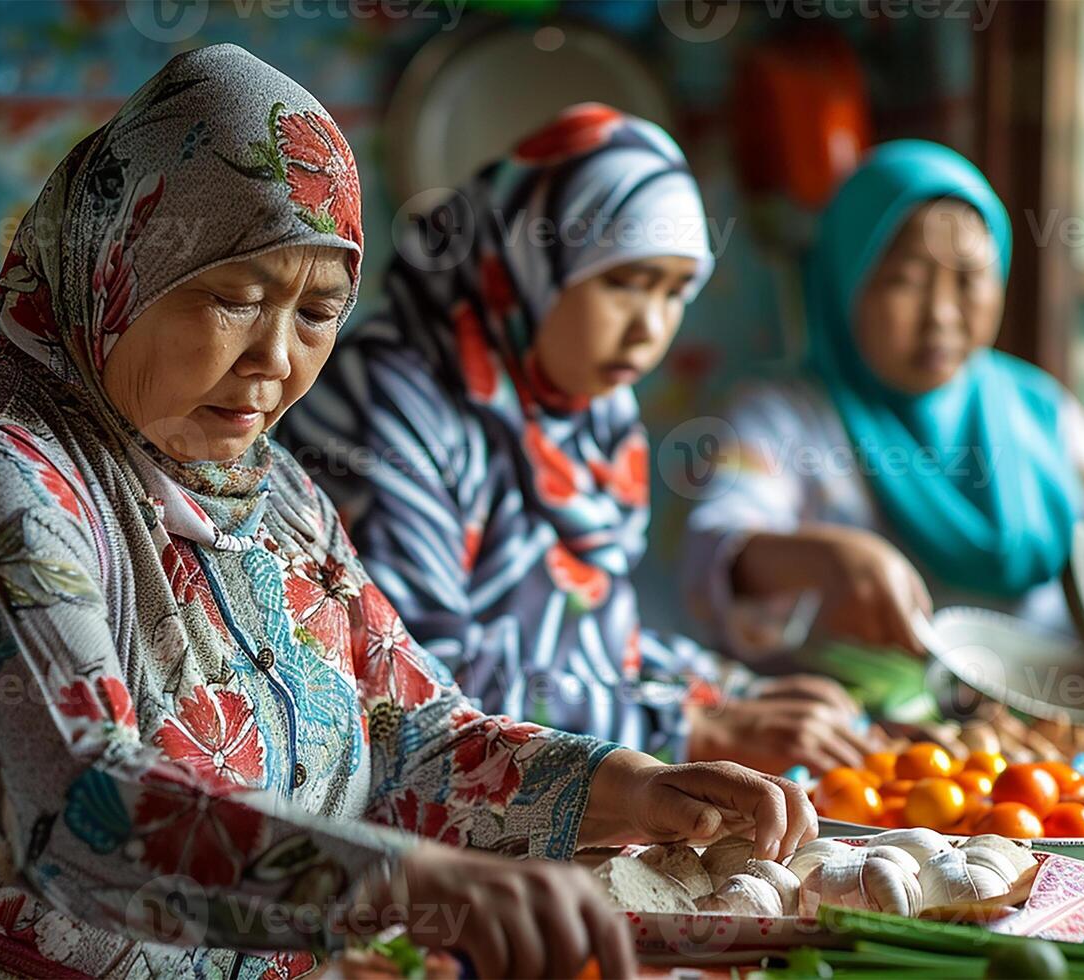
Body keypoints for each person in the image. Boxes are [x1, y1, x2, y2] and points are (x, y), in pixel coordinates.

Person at [0, 47, 815, 980]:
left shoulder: (273, 493)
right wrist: (419, 882)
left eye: (316, 311)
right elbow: (80, 810)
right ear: (118, 265)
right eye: (232, 296)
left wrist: (621, 784)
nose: (276, 361)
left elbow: (404, 731)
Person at [278, 105, 874, 778]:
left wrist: (729, 689)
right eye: (623, 281)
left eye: (676, 291)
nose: (651, 327)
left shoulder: (589, 411)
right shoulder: (391, 397)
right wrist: (690, 728)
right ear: (533, 256)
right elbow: (415, 677)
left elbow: (583, 644)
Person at [683, 140, 1084, 661]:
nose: (942, 315)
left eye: (969, 278)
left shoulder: (1039, 412)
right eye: (905, 281)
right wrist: (825, 559)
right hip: (857, 753)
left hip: (1035, 749)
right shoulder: (782, 417)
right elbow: (714, 550)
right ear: (842, 283)